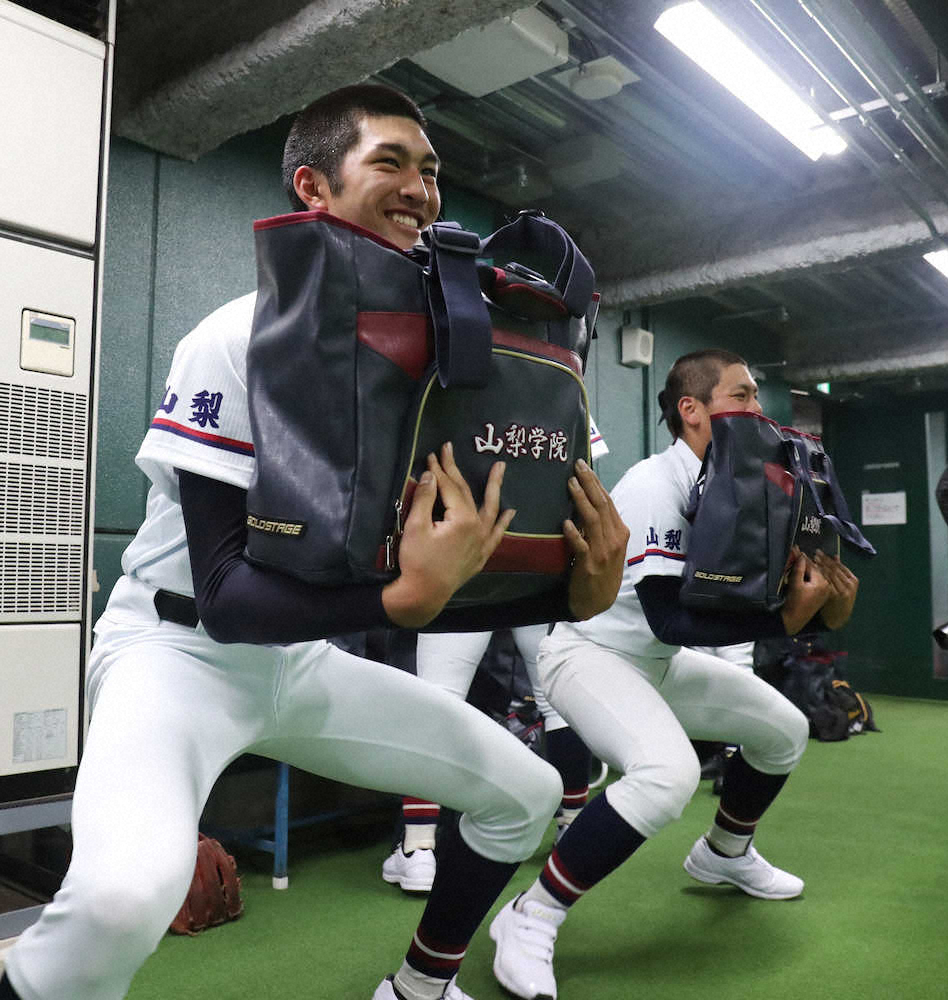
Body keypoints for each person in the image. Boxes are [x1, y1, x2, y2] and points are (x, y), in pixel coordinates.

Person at [0, 84, 628, 1000]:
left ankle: (421, 985)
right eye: (390, 162)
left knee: (525, 793)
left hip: (301, 660)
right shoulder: (237, 333)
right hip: (177, 651)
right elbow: (222, 592)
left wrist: (580, 587)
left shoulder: (463, 342)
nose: (420, 187)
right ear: (313, 187)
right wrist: (398, 604)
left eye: (431, 170)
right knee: (121, 899)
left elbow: (514, 545)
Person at [488, 349, 860, 1000]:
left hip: (655, 662)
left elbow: (739, 609)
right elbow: (669, 619)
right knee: (669, 774)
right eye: (741, 396)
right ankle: (530, 915)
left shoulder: (741, 484)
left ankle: (725, 853)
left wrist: (821, 612)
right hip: (588, 656)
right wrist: (792, 623)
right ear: (692, 409)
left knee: (781, 729)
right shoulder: (654, 482)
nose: (758, 410)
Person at [384, 429, 610, 893]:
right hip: (541, 556)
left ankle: (419, 848)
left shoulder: (449, 374)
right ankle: (572, 828)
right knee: (555, 699)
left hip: (463, 554)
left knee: (438, 699)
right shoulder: (561, 372)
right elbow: (589, 473)